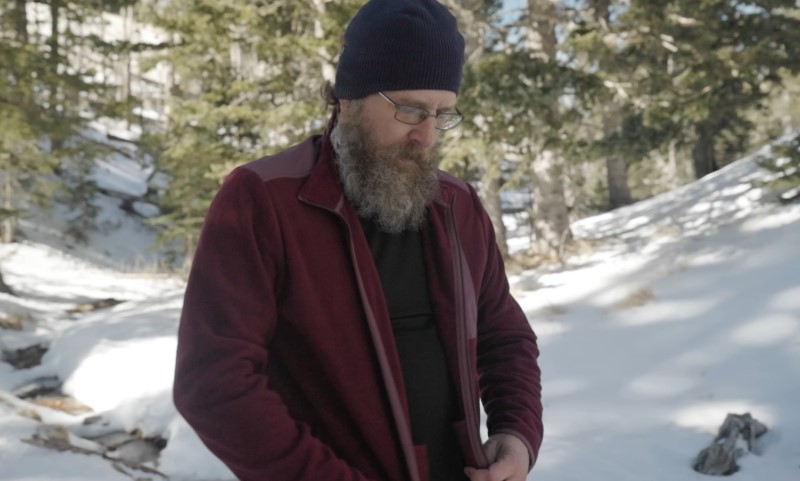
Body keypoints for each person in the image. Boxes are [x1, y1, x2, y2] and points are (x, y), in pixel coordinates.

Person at [173, 1, 543, 480]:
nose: (427, 136)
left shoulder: (456, 204)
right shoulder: (265, 199)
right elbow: (214, 382)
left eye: (443, 114)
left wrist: (517, 433)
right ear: (348, 98)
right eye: (409, 109)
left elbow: (503, 335)